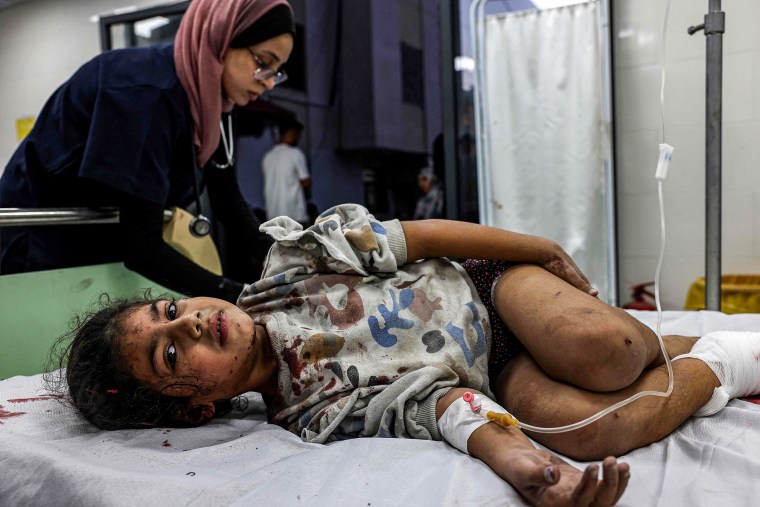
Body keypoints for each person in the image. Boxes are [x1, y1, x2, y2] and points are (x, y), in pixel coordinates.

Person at [50, 204, 760, 506]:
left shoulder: (294, 261)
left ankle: (652, 343)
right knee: (588, 428)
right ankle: (725, 359)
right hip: (493, 374)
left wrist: (539, 249)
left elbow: (418, 237)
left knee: (600, 350)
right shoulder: (312, 414)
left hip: (489, 291)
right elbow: (440, 405)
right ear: (198, 407)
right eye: (172, 353)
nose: (196, 324)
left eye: (172, 311)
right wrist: (529, 469)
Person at [0, 0, 295, 303]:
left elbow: (228, 201)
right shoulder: (142, 91)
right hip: (36, 249)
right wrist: (243, 297)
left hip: (101, 248)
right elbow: (142, 245)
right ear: (222, 36)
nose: (270, 81)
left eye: (277, 71)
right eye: (263, 62)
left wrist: (292, 260)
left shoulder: (214, 103)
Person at [261, 118, 312, 225]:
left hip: (272, 216)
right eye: (297, 136)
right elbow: (306, 183)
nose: (298, 139)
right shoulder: (295, 153)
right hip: (294, 216)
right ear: (291, 133)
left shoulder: (267, 156)